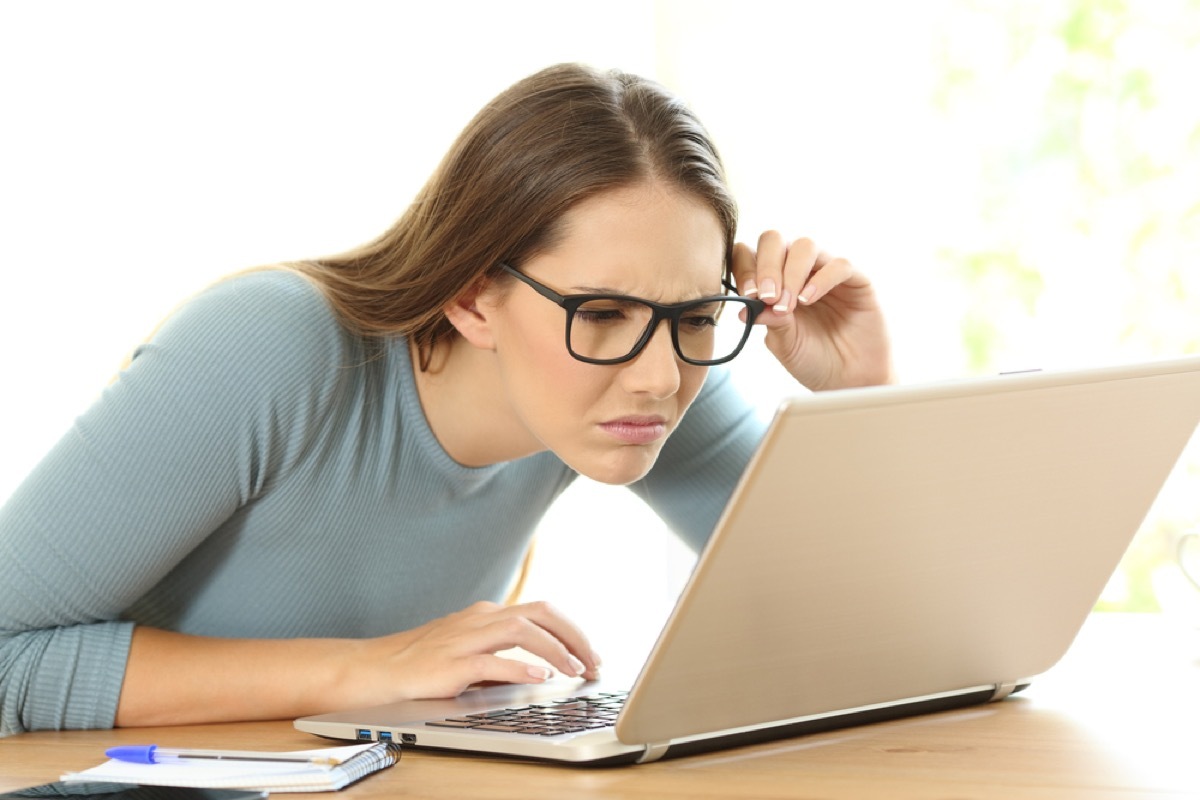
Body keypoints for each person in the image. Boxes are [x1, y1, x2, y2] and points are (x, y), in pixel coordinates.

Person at [0, 62, 893, 735]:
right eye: (602, 311)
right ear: (472, 297)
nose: (661, 376)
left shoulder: (650, 375)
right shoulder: (272, 346)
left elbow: (872, 635)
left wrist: (863, 404)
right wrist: (356, 672)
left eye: (697, 314)